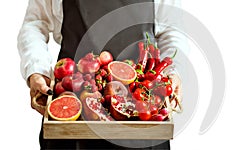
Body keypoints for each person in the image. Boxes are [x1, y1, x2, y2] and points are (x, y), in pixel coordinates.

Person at [18, 0, 187, 149]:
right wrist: (36, 70)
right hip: (73, 103)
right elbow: (36, 23)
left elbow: (171, 29)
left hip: (142, 105)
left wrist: (173, 72)